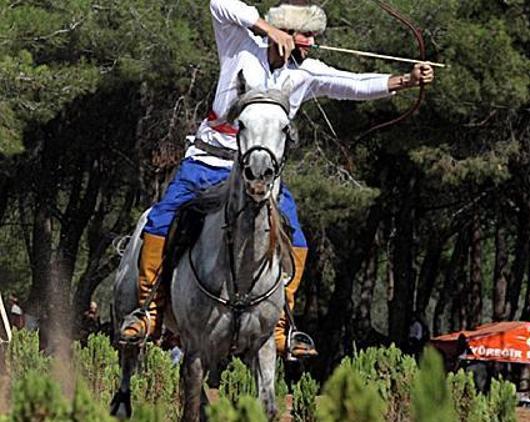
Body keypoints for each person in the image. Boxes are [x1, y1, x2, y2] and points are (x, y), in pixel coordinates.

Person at [119, 0, 435, 360]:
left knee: (296, 238)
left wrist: (406, 81)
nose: (310, 44)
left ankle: (283, 327)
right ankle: (150, 312)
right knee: (161, 219)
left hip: (262, 178)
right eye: (304, 35)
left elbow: (354, 84)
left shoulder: (307, 71)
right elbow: (218, 4)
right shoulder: (238, 46)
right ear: (283, 30)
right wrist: (266, 29)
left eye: (314, 37)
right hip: (208, 161)